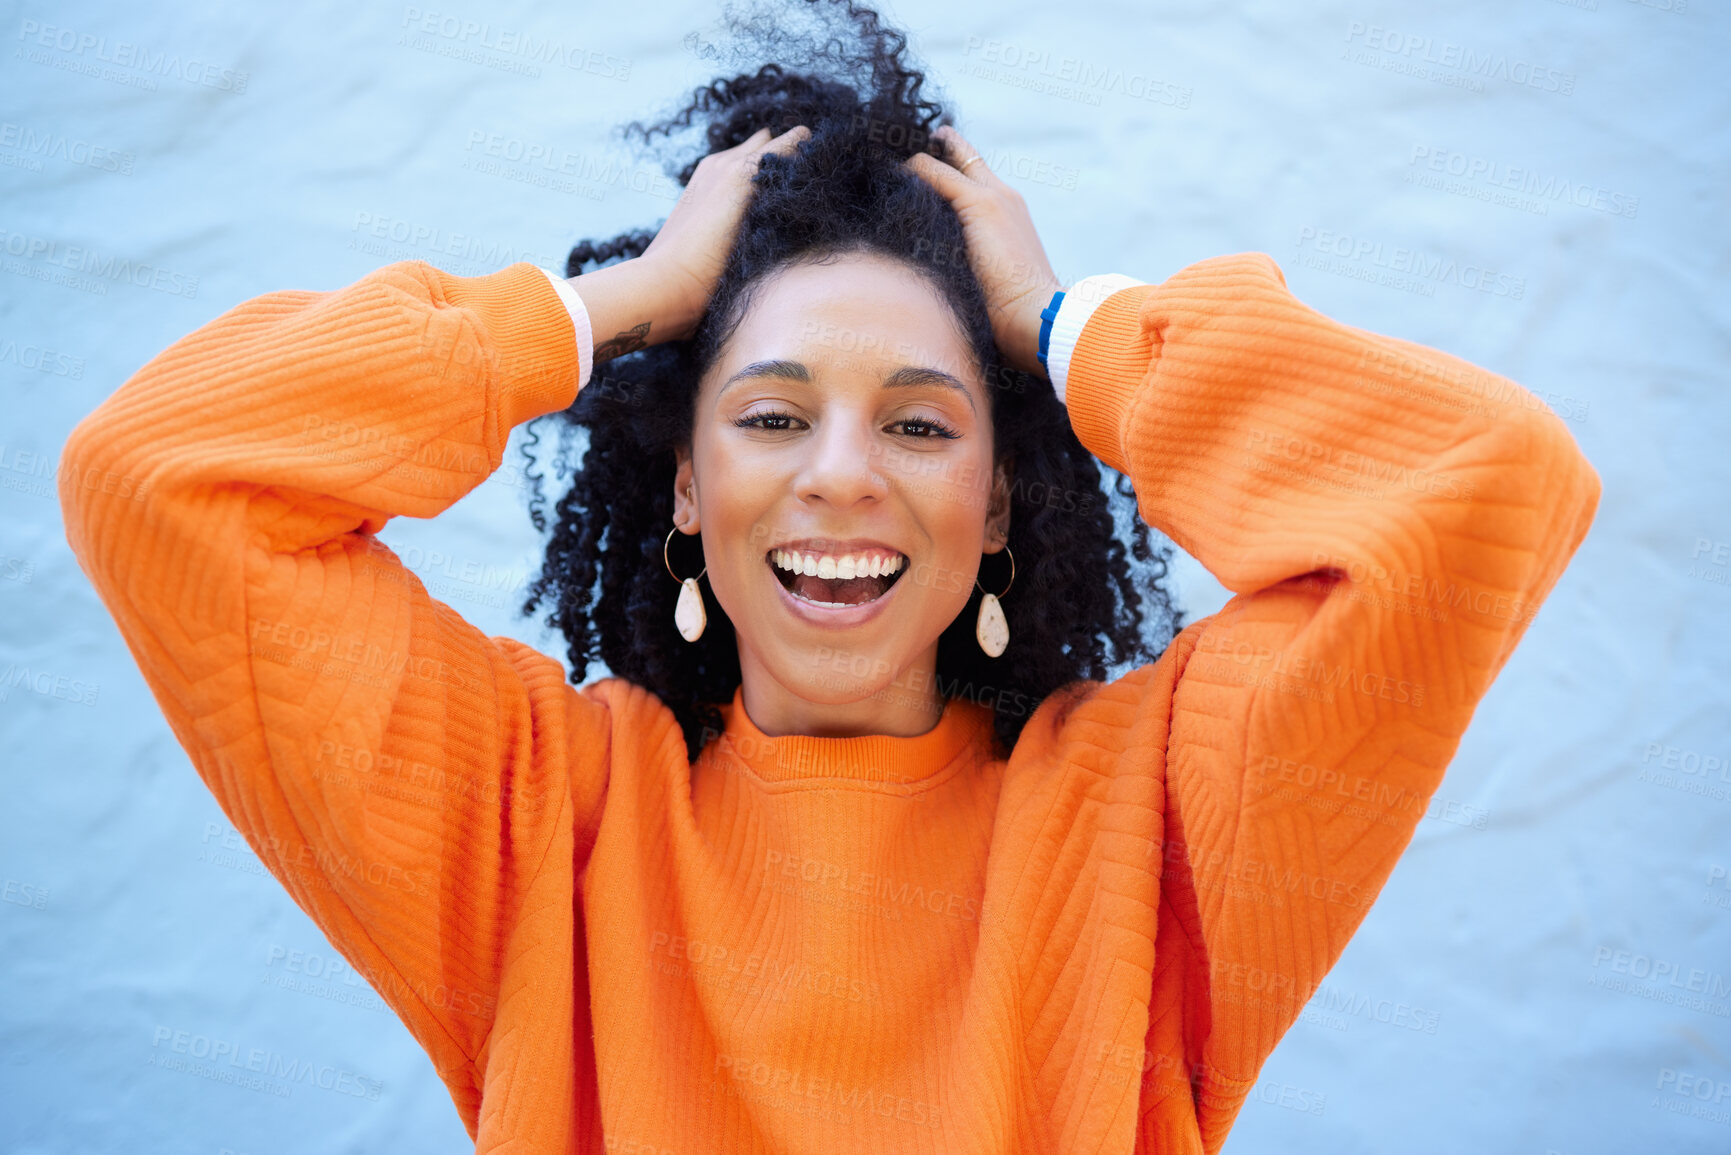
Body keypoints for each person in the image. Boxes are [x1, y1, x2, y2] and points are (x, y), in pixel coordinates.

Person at [59, 4, 1598, 1152]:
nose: (842, 474)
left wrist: (1077, 335)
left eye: (922, 422)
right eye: (773, 414)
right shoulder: (539, 821)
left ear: (1000, 503)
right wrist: (608, 308)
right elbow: (161, 474)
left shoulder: (1161, 819)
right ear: (686, 479)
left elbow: (1484, 484)